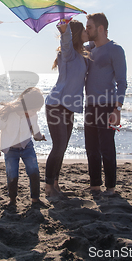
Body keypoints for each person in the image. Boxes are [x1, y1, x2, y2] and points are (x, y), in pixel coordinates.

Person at [45, 19, 90, 197]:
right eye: (85, 31)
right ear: (78, 34)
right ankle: (48, 187)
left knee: (62, 147)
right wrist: (65, 29)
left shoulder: (83, 56)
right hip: (56, 105)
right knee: (59, 146)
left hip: (69, 107)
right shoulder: (68, 53)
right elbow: (66, 40)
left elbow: (95, 44)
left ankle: (55, 183)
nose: (88, 32)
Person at [84, 13, 127, 196]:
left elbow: (122, 82)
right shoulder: (89, 49)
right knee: (91, 147)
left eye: (90, 27)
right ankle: (95, 186)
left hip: (107, 104)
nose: (87, 30)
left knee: (107, 147)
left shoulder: (115, 50)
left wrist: (117, 109)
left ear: (100, 28)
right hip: (89, 105)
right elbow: (73, 46)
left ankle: (110, 188)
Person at [0, 87, 46, 209]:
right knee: (12, 174)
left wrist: (40, 137)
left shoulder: (33, 116)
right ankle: (12, 200)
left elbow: (35, 130)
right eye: (35, 110)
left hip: (27, 147)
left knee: (34, 171)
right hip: (10, 149)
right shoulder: (8, 115)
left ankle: (35, 199)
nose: (36, 113)